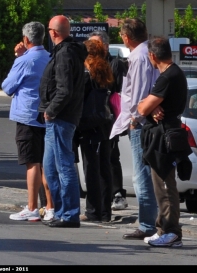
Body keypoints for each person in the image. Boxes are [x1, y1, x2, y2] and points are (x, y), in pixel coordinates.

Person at [110, 18, 159, 240]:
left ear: (126, 37)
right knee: (146, 175)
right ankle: (150, 222)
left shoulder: (138, 57)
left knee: (141, 176)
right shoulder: (146, 52)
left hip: (140, 122)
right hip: (145, 120)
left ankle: (147, 224)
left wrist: (134, 119)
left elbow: (139, 92)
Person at [137, 36, 189, 247]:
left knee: (166, 186)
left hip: (165, 137)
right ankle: (163, 228)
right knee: (161, 184)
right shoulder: (171, 74)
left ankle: (172, 231)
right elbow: (146, 105)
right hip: (162, 134)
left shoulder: (168, 76)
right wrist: (151, 105)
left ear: (152, 56)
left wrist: (149, 105)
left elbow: (141, 108)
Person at [38, 15, 87, 228]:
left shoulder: (65, 53)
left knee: (63, 166)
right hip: (58, 118)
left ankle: (69, 213)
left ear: (54, 32)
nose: (49, 33)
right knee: (50, 167)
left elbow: (64, 89)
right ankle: (60, 211)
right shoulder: (64, 52)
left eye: (49, 29)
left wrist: (51, 110)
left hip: (61, 118)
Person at [2, 21, 54, 222]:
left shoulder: (25, 60)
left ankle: (32, 207)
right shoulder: (49, 57)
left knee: (32, 163)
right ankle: (50, 207)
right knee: (47, 163)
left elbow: (7, 86)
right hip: (46, 114)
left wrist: (18, 58)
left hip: (27, 115)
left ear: (26, 39)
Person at [88, 31, 129, 211]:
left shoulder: (115, 64)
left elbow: (119, 91)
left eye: (96, 45)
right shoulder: (88, 64)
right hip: (94, 116)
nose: (93, 49)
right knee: (98, 158)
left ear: (105, 46)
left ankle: (117, 193)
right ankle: (102, 197)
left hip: (110, 115)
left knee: (111, 156)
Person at [76, 39, 114, 223]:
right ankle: (105, 211)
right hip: (105, 123)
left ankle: (93, 210)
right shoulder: (105, 70)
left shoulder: (87, 73)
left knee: (91, 169)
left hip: (89, 124)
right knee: (105, 169)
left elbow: (79, 97)